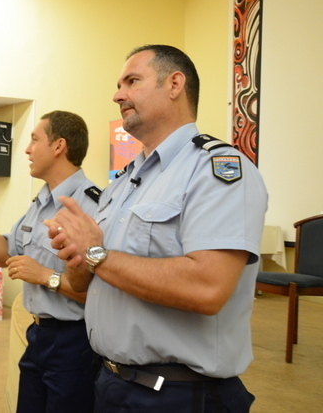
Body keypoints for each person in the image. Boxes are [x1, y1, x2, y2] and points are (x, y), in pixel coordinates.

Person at [47, 45, 268, 412]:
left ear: (174, 84)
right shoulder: (121, 183)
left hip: (177, 396)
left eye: (132, 81)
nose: (117, 95)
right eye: (119, 85)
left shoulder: (218, 169)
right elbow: (86, 285)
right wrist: (76, 253)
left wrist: (95, 254)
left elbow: (207, 287)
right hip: (109, 382)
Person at [0, 110, 100, 412]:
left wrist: (45, 276)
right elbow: (6, 254)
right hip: (38, 333)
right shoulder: (41, 202)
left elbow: (98, 293)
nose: (27, 150)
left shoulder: (90, 205)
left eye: (34, 139)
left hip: (74, 341)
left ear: (59, 147)